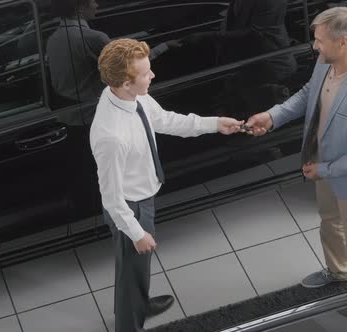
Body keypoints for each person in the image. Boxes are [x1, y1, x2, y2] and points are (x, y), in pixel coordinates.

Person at [90, 38, 243, 332]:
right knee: (132, 266)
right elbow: (110, 198)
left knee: (137, 266)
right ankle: (128, 324)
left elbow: (166, 121)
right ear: (124, 82)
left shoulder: (130, 97)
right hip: (129, 208)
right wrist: (136, 232)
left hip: (141, 197)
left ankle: (140, 303)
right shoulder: (111, 135)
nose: (153, 76)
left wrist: (214, 124)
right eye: (146, 73)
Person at [246, 7, 347, 289]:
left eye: (320, 40)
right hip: (323, 164)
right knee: (330, 222)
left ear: (343, 42)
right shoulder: (327, 61)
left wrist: (324, 169)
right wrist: (273, 116)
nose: (314, 46)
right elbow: (306, 94)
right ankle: (338, 272)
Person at [46, 0, 179, 103]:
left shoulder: (52, 40)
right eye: (93, 1)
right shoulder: (93, 37)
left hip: (69, 114)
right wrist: (165, 45)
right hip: (96, 110)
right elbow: (133, 64)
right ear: (80, 8)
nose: (97, 5)